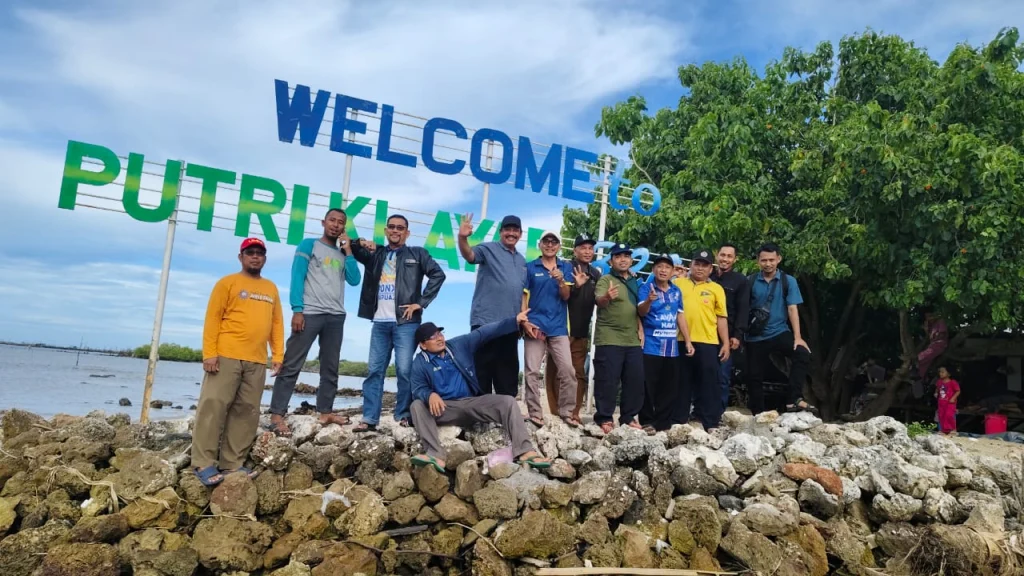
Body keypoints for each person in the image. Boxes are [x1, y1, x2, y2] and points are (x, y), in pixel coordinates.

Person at [192, 238, 284, 486]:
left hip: (256, 360)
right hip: (225, 356)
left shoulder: (271, 288)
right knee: (213, 406)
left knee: (246, 412)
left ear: (264, 258)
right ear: (241, 257)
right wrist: (209, 353)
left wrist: (278, 355)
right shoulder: (227, 283)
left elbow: (276, 324)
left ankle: (232, 463)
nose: (255, 257)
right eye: (250, 253)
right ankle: (203, 462)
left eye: (260, 253)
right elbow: (213, 319)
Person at [408, 316, 552, 472]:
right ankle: (435, 454)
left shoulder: (457, 345)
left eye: (439, 334)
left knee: (508, 402)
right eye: (432, 337)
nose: (439, 338)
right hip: (445, 409)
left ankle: (525, 451)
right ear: (422, 345)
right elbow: (417, 388)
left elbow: (484, 332)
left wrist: (513, 321)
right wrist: (429, 395)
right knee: (416, 405)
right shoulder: (419, 363)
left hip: (471, 403)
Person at [269, 209, 361, 436]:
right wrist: (297, 310)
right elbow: (297, 277)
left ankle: (326, 410)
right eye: (332, 220)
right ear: (323, 222)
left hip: (336, 316)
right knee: (291, 364)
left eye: (341, 222)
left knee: (330, 367)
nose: (336, 225)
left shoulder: (342, 253)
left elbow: (355, 279)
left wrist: (348, 250)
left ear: (344, 227)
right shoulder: (308, 245)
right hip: (309, 313)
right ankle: (277, 414)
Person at [350, 215, 446, 432]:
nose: (396, 231)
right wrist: (361, 242)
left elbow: (438, 275)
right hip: (380, 322)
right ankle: (369, 418)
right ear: (386, 230)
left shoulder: (417, 254)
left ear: (407, 233)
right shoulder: (377, 254)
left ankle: (403, 414)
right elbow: (354, 249)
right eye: (391, 227)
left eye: (400, 228)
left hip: (406, 323)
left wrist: (420, 303)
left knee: (404, 370)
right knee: (375, 370)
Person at [457, 213, 528, 397]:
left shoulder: (522, 261)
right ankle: (481, 419)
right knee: (482, 372)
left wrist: (521, 321)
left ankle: (505, 417)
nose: (511, 233)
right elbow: (469, 255)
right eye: (507, 229)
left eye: (515, 230)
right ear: (500, 232)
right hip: (485, 323)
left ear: (520, 234)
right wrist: (462, 238)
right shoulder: (488, 249)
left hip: (510, 326)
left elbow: (521, 293)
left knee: (508, 375)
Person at [745, 243, 814, 415]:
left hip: (779, 331)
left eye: (771, 260)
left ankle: (794, 399)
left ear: (779, 259)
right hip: (755, 336)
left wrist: (798, 337)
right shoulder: (751, 281)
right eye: (764, 260)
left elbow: (792, 308)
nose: (768, 263)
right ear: (758, 261)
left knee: (802, 353)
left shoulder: (788, 281)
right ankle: (757, 413)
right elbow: (743, 308)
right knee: (754, 376)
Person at [522, 231, 579, 427]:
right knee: (531, 372)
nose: (549, 245)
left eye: (553, 242)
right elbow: (523, 296)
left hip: (558, 327)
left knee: (568, 371)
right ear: (540, 245)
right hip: (535, 326)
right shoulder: (530, 267)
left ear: (559, 246)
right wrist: (524, 322)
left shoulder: (566, 266)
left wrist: (560, 281)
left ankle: (567, 412)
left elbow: (566, 296)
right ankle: (535, 413)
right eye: (546, 242)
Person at [544, 234, 602, 422]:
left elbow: (600, 299)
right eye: (582, 248)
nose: (587, 251)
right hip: (561, 329)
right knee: (557, 371)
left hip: (581, 331)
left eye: (590, 248)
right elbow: (562, 295)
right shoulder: (565, 267)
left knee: (579, 373)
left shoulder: (596, 273)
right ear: (575, 250)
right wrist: (576, 286)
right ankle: (555, 412)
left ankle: (573, 412)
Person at [638, 254, 695, 432]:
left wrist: (688, 341)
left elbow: (680, 315)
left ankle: (663, 423)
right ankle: (647, 421)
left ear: (672, 271)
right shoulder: (645, 287)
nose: (663, 270)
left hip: (671, 349)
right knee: (647, 387)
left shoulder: (676, 291)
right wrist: (649, 300)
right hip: (650, 346)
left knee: (669, 388)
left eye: (667, 267)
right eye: (659, 267)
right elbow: (640, 312)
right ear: (654, 269)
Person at [593, 243, 645, 434]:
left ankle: (629, 417)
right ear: (611, 260)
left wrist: (641, 327)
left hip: (632, 339)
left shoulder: (635, 281)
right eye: (618, 256)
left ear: (631, 260)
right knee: (608, 380)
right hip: (609, 337)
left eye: (626, 256)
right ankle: (605, 417)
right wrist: (607, 296)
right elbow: (599, 300)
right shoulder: (605, 279)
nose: (623, 259)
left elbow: (638, 308)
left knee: (635, 380)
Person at [674, 249, 730, 429]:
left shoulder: (716, 289)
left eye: (704, 265)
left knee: (708, 383)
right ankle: (679, 420)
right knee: (682, 381)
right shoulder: (678, 284)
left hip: (708, 341)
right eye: (696, 264)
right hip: (681, 340)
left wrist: (726, 343)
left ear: (710, 269)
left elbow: (721, 317)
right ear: (690, 265)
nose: (700, 268)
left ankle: (707, 421)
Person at [711, 243, 750, 410]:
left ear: (735, 259)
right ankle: (697, 411)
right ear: (717, 255)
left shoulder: (740, 280)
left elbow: (743, 309)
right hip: (704, 333)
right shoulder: (707, 275)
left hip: (726, 336)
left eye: (729, 256)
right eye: (722, 255)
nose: (725, 259)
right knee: (701, 373)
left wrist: (737, 335)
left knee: (722, 375)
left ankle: (717, 413)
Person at [917, 309, 948, 380]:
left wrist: (934, 338)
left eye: (930, 316)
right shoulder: (931, 326)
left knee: (920, 357)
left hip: (939, 344)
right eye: (927, 317)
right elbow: (929, 337)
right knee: (924, 364)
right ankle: (918, 378)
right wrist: (926, 329)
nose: (929, 318)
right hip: (932, 345)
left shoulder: (940, 321)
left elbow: (942, 334)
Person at [935, 366, 960, 434]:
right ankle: (942, 430)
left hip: (950, 403)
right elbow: (937, 388)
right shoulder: (939, 382)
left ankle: (953, 430)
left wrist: (953, 398)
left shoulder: (953, 382)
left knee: (949, 415)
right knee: (941, 415)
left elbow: (958, 391)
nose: (941, 373)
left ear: (949, 374)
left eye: (943, 372)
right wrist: (936, 393)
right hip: (941, 403)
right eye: (940, 372)